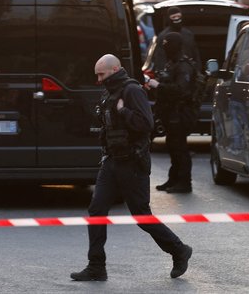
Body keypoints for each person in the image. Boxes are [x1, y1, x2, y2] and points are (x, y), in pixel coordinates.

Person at [70, 54, 192, 282]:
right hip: (112, 161)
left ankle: (179, 250)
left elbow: (146, 124)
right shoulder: (110, 90)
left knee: (141, 215)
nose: (98, 79)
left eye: (101, 74)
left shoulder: (132, 90)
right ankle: (96, 266)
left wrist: (124, 112)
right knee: (96, 211)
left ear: (115, 69)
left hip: (132, 163)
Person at [147, 33, 196, 194]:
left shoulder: (184, 66)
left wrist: (157, 86)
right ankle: (174, 178)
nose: (166, 50)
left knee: (179, 147)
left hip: (181, 113)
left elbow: (181, 90)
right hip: (171, 112)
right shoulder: (172, 63)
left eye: (168, 46)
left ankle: (184, 182)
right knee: (172, 145)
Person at [152, 6, 200, 71]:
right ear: (169, 18)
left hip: (189, 70)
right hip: (172, 72)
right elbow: (160, 57)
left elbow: (195, 54)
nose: (176, 19)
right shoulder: (163, 36)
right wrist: (163, 72)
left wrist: (197, 70)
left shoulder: (188, 34)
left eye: (178, 16)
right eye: (173, 17)